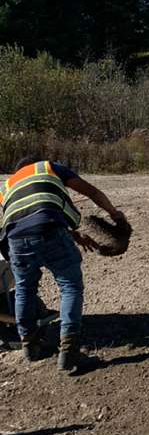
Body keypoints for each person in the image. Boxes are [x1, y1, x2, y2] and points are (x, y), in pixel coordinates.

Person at [0, 156, 128, 372]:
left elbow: (29, 220)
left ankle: (29, 346)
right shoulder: (47, 167)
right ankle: (69, 351)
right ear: (34, 164)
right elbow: (91, 192)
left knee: (24, 288)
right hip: (50, 230)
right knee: (70, 286)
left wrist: (74, 236)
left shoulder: (8, 185)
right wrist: (115, 215)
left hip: (16, 238)